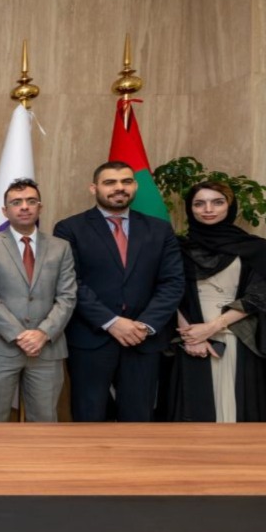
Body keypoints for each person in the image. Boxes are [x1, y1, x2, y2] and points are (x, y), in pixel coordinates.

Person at [53, 161, 184, 422]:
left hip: (142, 340)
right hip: (91, 339)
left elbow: (172, 282)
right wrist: (111, 322)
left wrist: (145, 325)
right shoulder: (70, 228)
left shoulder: (159, 229)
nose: (119, 188)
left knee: (138, 418)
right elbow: (70, 282)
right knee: (89, 418)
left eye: (126, 181)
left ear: (135, 186)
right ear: (94, 188)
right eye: (110, 182)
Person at [167, 181, 266, 422]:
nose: (208, 209)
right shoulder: (176, 247)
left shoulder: (255, 248)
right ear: (190, 208)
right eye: (199, 203)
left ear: (230, 206)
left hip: (237, 334)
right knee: (193, 410)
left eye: (217, 202)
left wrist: (212, 327)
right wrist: (191, 336)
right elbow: (169, 292)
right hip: (190, 338)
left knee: (238, 408)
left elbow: (260, 296)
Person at [0, 178, 76, 422]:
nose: (24, 207)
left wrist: (42, 333)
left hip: (46, 349)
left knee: (44, 421)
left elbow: (67, 296)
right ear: (5, 210)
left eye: (31, 201)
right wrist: (20, 335)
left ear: (40, 207)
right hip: (1, 347)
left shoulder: (61, 247)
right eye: (16, 202)